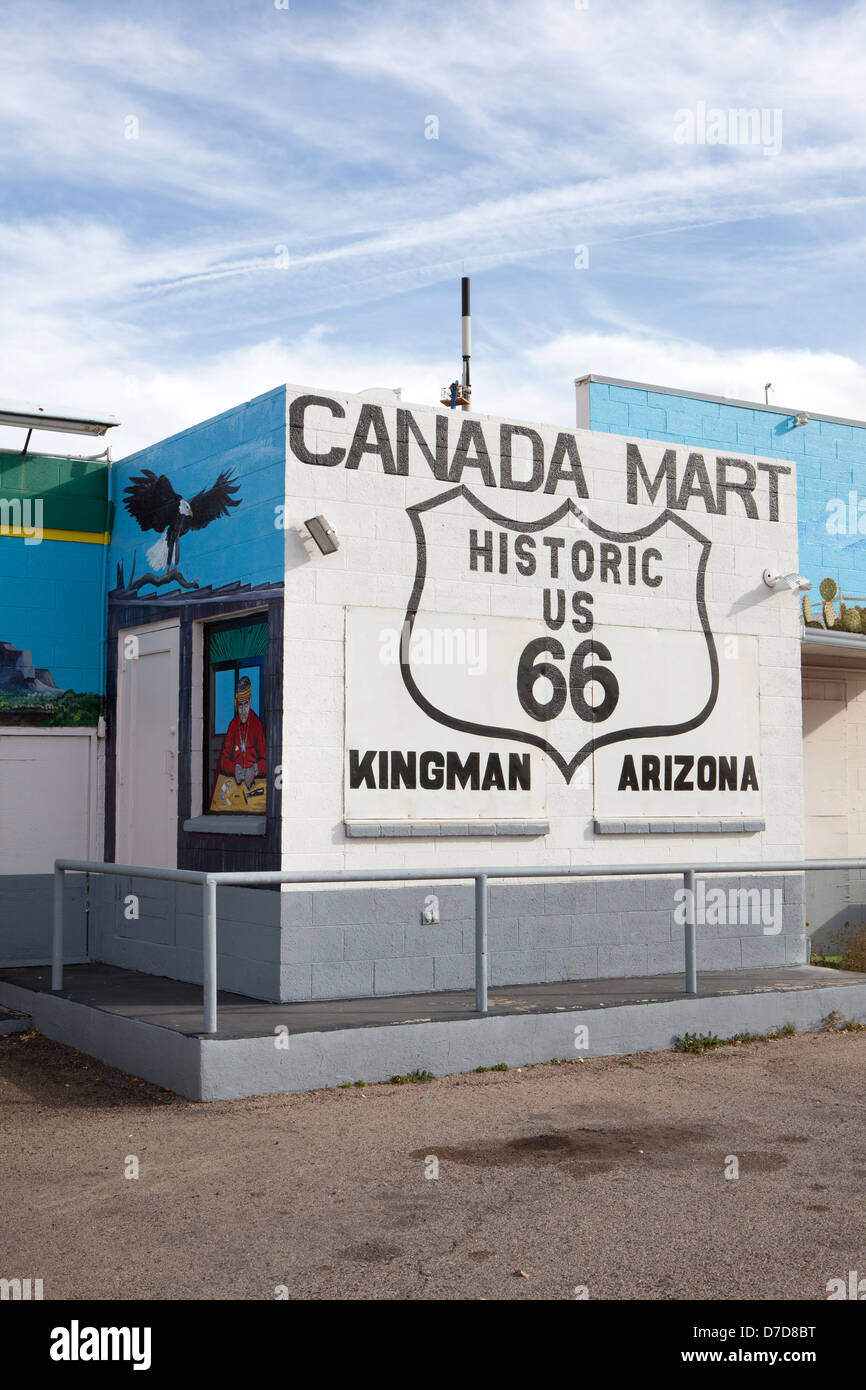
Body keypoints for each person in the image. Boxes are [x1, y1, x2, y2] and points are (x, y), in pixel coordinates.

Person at [218, 675, 266, 790]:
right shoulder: (232, 726)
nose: (243, 711)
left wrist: (254, 769)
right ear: (236, 705)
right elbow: (223, 761)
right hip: (235, 783)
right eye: (240, 705)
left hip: (255, 783)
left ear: (250, 702)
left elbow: (266, 760)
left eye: (246, 705)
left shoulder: (257, 725)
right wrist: (234, 768)